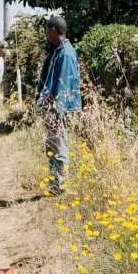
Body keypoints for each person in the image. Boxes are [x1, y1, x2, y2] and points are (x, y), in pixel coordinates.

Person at [37, 16, 82, 194]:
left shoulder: (66, 54)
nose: (46, 34)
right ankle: (56, 184)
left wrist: (56, 112)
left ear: (53, 30)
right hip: (52, 108)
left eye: (47, 30)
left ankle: (61, 186)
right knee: (52, 147)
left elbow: (65, 87)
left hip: (58, 110)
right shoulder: (58, 50)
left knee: (60, 145)